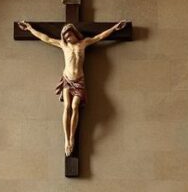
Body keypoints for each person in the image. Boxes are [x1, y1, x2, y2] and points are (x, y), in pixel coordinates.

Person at [16, 20, 127, 156]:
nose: (68, 38)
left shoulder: (83, 43)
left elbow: (99, 37)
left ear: (74, 33)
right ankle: (66, 140)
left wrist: (115, 28)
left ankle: (72, 137)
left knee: (75, 107)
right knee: (67, 106)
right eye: (65, 36)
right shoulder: (63, 45)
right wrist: (29, 29)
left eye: (69, 35)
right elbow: (45, 38)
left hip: (79, 80)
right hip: (68, 79)